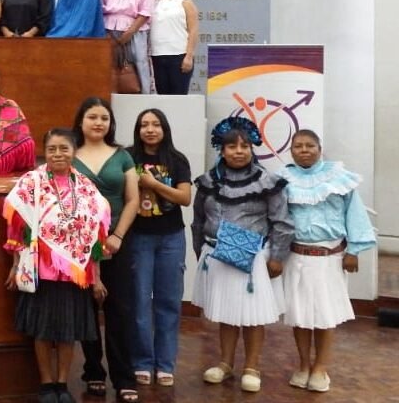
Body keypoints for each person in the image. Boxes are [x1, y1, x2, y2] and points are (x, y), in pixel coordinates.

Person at [5, 128, 111, 403]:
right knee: (41, 331)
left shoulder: (86, 187)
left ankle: (62, 384)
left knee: (67, 332)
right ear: (45, 152)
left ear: (74, 151)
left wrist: (96, 276)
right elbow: (18, 225)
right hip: (41, 270)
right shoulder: (31, 182)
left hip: (75, 274)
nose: (58, 154)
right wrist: (16, 264)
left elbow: (95, 236)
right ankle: (46, 384)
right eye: (52, 149)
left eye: (64, 148)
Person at [191, 117, 293, 393]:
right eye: (232, 146)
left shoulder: (268, 182)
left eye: (244, 146)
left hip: (254, 258)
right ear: (221, 150)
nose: (239, 151)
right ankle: (224, 364)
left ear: (252, 148)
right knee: (226, 312)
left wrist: (277, 258)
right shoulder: (208, 181)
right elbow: (198, 219)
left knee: (252, 315)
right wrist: (201, 250)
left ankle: (251, 367)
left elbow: (282, 222)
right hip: (217, 257)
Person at [277, 129, 376, 393]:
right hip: (296, 256)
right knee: (299, 314)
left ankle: (321, 368)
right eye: (298, 146)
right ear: (291, 151)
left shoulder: (339, 179)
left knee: (324, 314)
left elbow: (354, 215)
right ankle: (303, 365)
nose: (304, 150)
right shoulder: (283, 180)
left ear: (320, 149)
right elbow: (276, 219)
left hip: (329, 257)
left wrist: (353, 250)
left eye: (310, 145)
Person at [71, 97, 140, 403]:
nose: (99, 123)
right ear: (81, 122)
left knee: (120, 310)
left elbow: (133, 200)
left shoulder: (122, 155)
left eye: (104, 118)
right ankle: (93, 372)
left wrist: (118, 235)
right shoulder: (70, 155)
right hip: (78, 247)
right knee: (85, 310)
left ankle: (124, 377)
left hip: (117, 243)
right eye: (92, 117)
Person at [125, 108, 192, 388]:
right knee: (139, 302)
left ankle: (165, 364)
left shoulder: (177, 160)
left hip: (171, 239)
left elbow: (185, 197)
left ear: (164, 128)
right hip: (138, 238)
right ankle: (142, 362)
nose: (150, 129)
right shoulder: (128, 157)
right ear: (138, 130)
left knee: (168, 303)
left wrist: (153, 184)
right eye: (144, 125)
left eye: (155, 124)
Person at [102, 0, 156, 93]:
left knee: (140, 63)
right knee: (109, 65)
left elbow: (145, 12)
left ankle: (144, 97)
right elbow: (100, 8)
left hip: (136, 31)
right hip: (109, 32)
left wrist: (129, 33)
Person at [150, 0, 199, 95]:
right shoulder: (153, 3)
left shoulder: (185, 2)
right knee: (163, 97)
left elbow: (193, 30)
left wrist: (189, 56)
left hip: (179, 57)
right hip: (157, 57)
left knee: (179, 97)